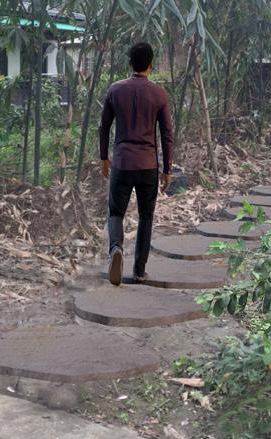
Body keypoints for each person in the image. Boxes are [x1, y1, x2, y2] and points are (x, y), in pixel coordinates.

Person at [99, 42, 173, 286]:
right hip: (148, 165)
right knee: (146, 216)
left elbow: (104, 126)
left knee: (115, 213)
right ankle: (139, 270)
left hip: (122, 162)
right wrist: (167, 169)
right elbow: (167, 134)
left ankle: (116, 249)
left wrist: (104, 157)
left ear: (130, 63)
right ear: (151, 65)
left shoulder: (115, 89)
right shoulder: (159, 94)